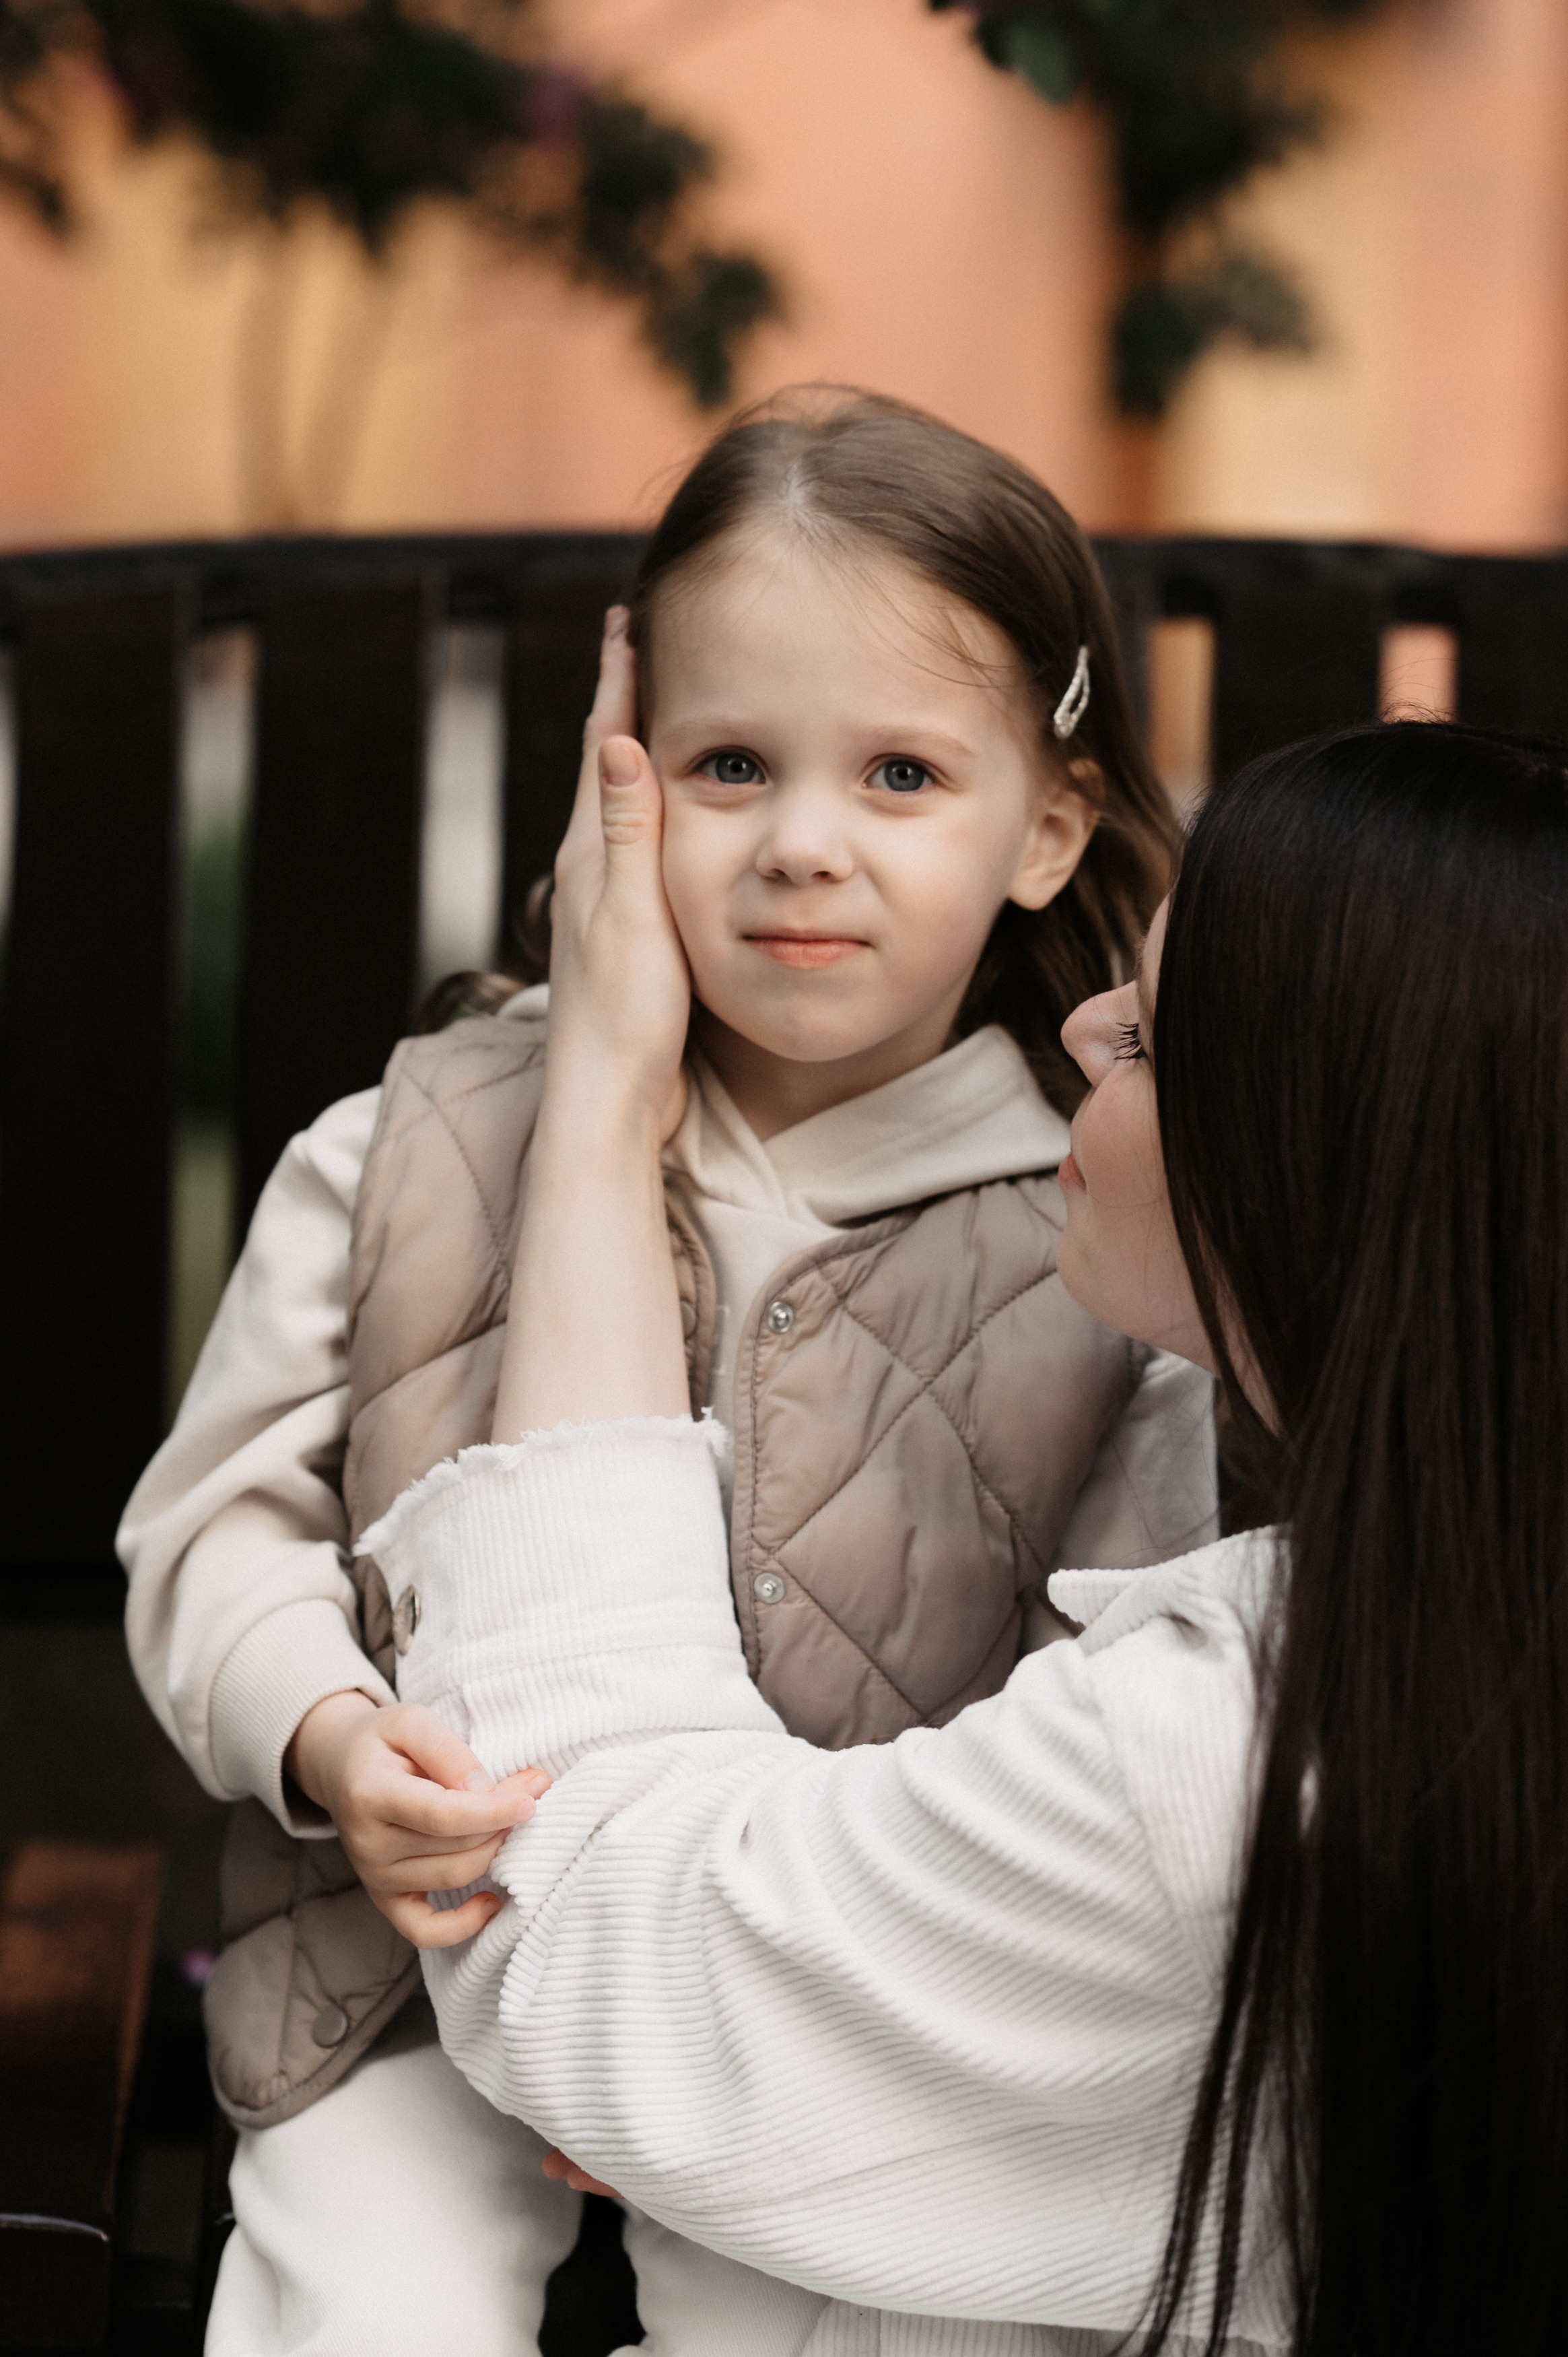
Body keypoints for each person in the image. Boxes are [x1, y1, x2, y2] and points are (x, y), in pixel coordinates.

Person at [119, 391, 1215, 2356]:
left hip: (840, 2011)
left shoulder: (1095, 1235)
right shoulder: (417, 1146)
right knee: (370, 2300)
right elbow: (220, 1525)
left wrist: (761, 2033)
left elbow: (1107, 1667)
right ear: (619, 784)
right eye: (728, 763)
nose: (802, 843)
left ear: (1045, 826)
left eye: (898, 773)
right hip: (408, 1976)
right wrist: (325, 1738)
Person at [362, 715, 1568, 2357]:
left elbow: (597, 1941)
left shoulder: (1231, 1753)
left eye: (1147, 1042)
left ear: (1339, 1155)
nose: (1077, 1024)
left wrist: (596, 1099)